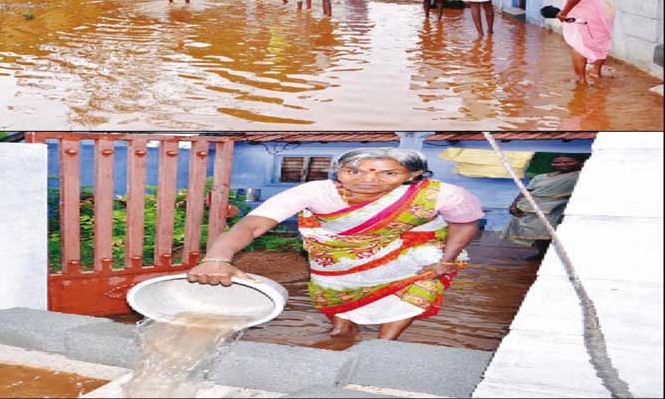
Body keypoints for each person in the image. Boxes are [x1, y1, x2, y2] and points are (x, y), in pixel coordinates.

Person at [187, 148, 483, 341]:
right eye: (354, 171)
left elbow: (465, 223)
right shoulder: (316, 192)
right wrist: (218, 258)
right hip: (335, 254)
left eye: (388, 173)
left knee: (420, 283)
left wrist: (448, 257)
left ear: (414, 175)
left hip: (409, 250)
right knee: (336, 293)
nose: (368, 180)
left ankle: (387, 342)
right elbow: (252, 225)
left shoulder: (444, 195)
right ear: (337, 172)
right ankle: (342, 329)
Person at [502, 155, 585, 260]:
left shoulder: (581, 176)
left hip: (555, 207)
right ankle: (541, 254)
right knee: (534, 233)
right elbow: (526, 191)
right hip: (529, 206)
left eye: (568, 162)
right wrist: (514, 205)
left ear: (581, 163)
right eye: (557, 162)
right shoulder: (540, 177)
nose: (562, 165)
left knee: (545, 231)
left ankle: (550, 256)